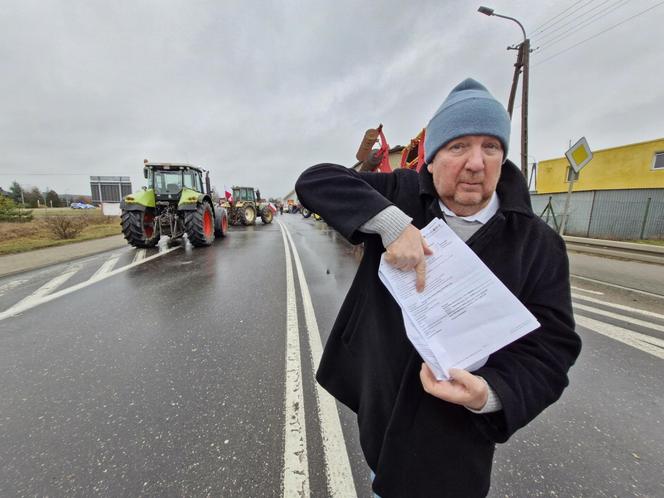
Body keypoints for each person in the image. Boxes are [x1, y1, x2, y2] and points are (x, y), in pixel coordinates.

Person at [295, 78, 581, 498]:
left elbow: (551, 350)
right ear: (430, 160)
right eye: (457, 146)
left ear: (503, 158)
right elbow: (315, 181)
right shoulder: (404, 195)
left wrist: (491, 394)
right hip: (383, 413)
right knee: (381, 480)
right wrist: (392, 225)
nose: (475, 163)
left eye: (490, 147)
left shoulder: (537, 244)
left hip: (456, 442)